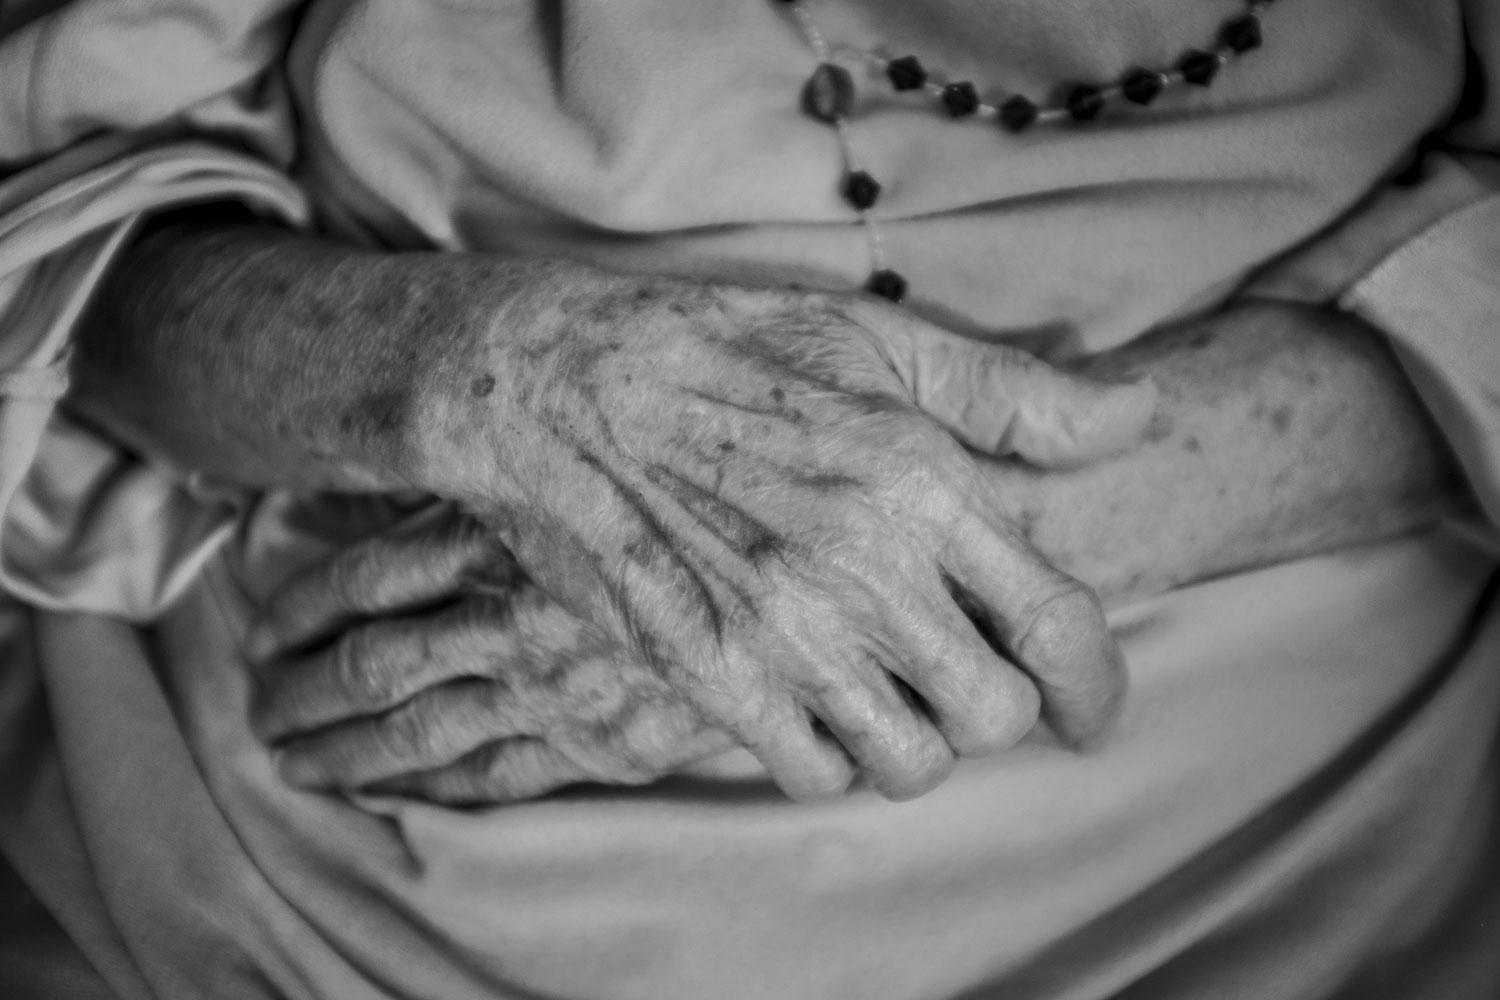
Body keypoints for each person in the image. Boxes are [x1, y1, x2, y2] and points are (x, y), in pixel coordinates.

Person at [0, 1, 1497, 997]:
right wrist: (479, 370)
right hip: (331, 886)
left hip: (1315, 851)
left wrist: (967, 545)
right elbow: (71, 243)